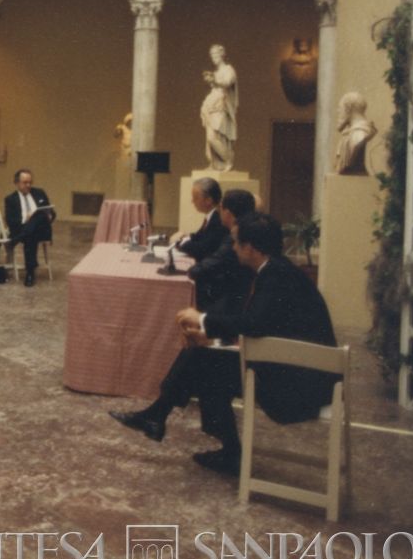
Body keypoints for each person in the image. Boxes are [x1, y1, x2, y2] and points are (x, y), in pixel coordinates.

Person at [109, 213, 338, 475]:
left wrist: (203, 320)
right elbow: (261, 325)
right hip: (299, 370)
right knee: (206, 359)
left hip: (299, 387)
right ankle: (163, 418)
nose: (233, 247)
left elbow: (253, 324)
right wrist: (210, 332)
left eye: (236, 242)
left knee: (205, 363)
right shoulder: (279, 270)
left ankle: (164, 418)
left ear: (250, 248)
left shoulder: (275, 276)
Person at [185, 189, 255, 314]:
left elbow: (210, 264)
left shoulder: (236, 237)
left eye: (220, 208)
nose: (218, 212)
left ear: (227, 213)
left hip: (230, 299)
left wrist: (191, 270)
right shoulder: (249, 231)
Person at [3, 168, 55, 287]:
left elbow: (52, 212)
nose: (28, 185)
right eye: (25, 182)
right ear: (16, 183)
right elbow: (10, 221)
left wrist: (49, 215)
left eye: (30, 182)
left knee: (39, 215)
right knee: (31, 234)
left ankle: (14, 241)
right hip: (24, 229)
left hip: (42, 229)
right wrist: (25, 219)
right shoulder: (10, 199)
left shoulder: (39, 193)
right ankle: (30, 272)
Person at [200, 44, 238, 171]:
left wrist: (214, 79)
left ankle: (228, 159)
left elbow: (227, 82)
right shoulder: (216, 72)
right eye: (212, 55)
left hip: (221, 107)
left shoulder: (229, 69)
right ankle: (215, 163)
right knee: (209, 137)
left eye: (216, 55)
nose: (213, 58)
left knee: (215, 137)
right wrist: (211, 79)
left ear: (222, 55)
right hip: (211, 106)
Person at [171, 177, 226, 262]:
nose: (192, 201)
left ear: (208, 200)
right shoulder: (211, 216)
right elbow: (198, 236)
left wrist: (180, 243)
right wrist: (185, 237)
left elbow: (202, 248)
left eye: (196, 198)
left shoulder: (218, 219)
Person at [334, 92, 378, 175]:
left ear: (348, 109)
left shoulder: (359, 134)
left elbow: (357, 141)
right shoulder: (350, 134)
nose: (338, 112)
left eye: (340, 108)